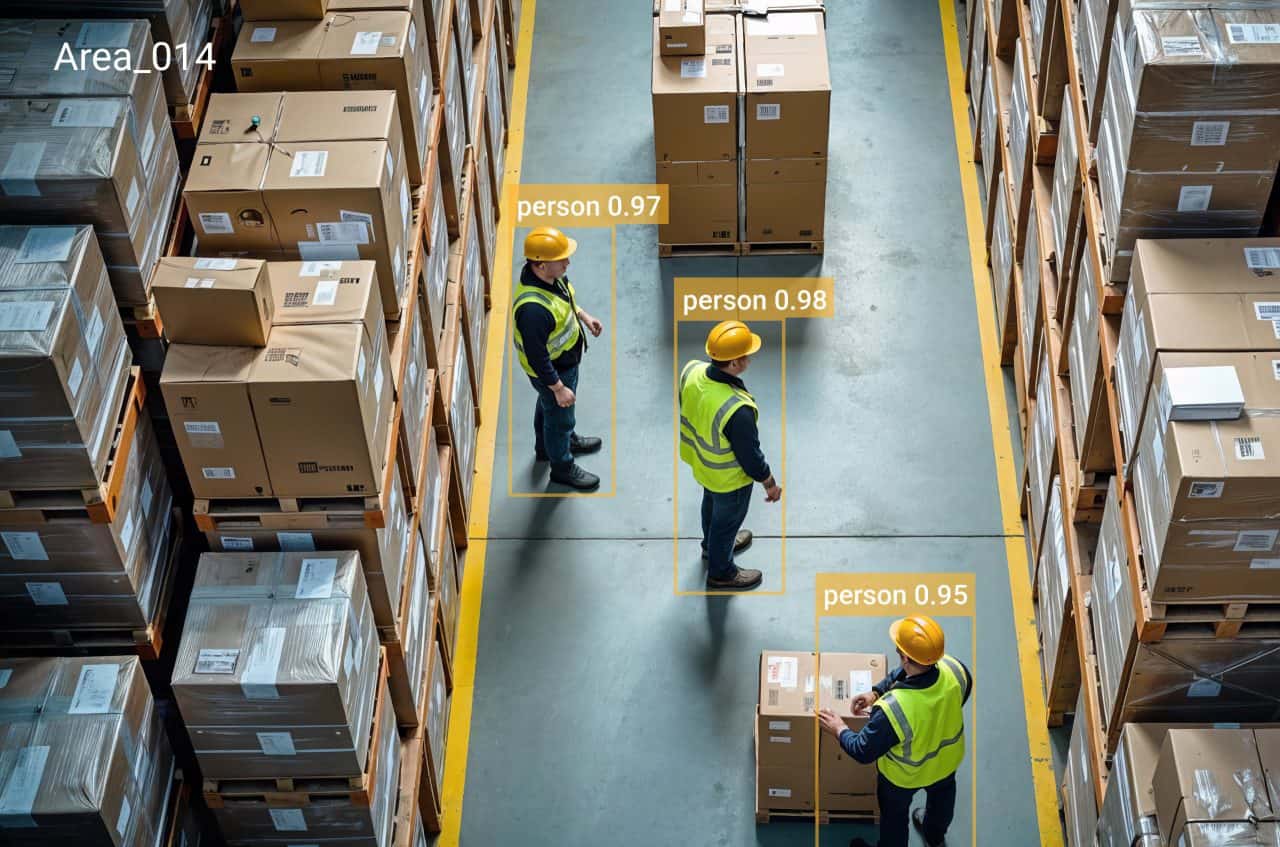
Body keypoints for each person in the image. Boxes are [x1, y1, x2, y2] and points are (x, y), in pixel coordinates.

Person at [817, 616, 972, 847]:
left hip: (903, 778)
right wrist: (877, 691)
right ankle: (934, 835)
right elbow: (943, 690)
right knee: (942, 802)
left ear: (906, 657)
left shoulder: (895, 709)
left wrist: (839, 728)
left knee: (894, 819)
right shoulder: (955, 669)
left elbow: (863, 750)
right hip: (946, 763)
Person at [677, 320, 781, 591]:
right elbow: (750, 456)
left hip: (704, 465)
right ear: (734, 363)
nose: (750, 358)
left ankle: (711, 548)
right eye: (746, 354)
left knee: (711, 507)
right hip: (729, 478)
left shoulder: (692, 370)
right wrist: (769, 483)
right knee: (727, 521)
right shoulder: (737, 409)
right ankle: (721, 572)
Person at [512, 226, 605, 490]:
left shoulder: (553, 279)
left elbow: (566, 301)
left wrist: (585, 318)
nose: (568, 262)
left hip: (563, 365)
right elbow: (538, 357)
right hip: (553, 372)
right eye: (561, 258)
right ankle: (562, 467)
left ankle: (547, 447)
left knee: (549, 407)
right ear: (540, 265)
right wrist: (558, 388)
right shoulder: (532, 310)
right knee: (559, 416)